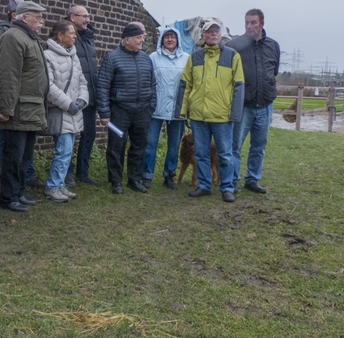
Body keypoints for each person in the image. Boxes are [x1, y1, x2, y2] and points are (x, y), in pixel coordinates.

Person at [177, 20, 244, 203]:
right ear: (203, 36)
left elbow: (239, 86)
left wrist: (235, 113)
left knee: (225, 154)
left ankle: (227, 187)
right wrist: (181, 111)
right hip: (198, 116)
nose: (213, 34)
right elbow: (186, 84)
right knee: (200, 153)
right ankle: (204, 185)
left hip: (222, 116)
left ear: (220, 35)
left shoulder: (232, 56)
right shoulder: (195, 57)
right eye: (209, 32)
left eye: (216, 31)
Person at [0, 1, 49, 212]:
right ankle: (8, 197)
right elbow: (7, 76)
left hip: (30, 109)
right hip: (18, 110)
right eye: (38, 18)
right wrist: (7, 109)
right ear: (24, 17)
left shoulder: (30, 39)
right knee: (12, 158)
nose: (42, 22)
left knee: (24, 158)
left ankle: (18, 193)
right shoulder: (12, 38)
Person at [97, 22, 157, 194]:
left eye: (142, 38)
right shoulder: (112, 58)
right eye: (139, 38)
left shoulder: (146, 58)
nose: (141, 41)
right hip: (119, 111)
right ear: (127, 39)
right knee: (116, 146)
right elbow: (103, 86)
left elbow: (153, 85)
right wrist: (105, 113)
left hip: (142, 111)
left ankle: (134, 179)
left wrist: (151, 106)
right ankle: (116, 181)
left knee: (139, 146)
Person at [227, 9, 280, 194]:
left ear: (262, 24)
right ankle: (232, 181)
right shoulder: (235, 46)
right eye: (247, 22)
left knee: (259, 146)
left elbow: (273, 72)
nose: (249, 26)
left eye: (253, 23)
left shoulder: (273, 46)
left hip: (265, 106)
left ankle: (253, 179)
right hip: (243, 107)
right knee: (235, 146)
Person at [43, 20, 89, 202]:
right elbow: (48, 86)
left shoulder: (73, 56)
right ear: (60, 36)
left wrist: (81, 100)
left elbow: (82, 82)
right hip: (61, 112)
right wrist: (68, 103)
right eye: (71, 33)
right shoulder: (47, 56)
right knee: (63, 151)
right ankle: (52, 186)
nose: (75, 36)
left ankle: (59, 185)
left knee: (67, 152)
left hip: (74, 111)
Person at [142, 27, 189, 190]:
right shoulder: (153, 58)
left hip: (178, 109)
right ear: (162, 39)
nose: (170, 39)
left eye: (173, 37)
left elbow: (190, 83)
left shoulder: (186, 59)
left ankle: (170, 174)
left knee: (174, 145)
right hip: (156, 107)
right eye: (167, 36)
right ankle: (147, 175)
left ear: (178, 40)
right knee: (151, 143)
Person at [65, 5, 100, 187]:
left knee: (89, 135)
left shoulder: (88, 39)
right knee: (69, 136)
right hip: (73, 97)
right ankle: (67, 173)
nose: (88, 19)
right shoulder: (66, 38)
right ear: (72, 17)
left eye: (88, 16)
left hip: (90, 96)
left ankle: (83, 172)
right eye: (84, 16)